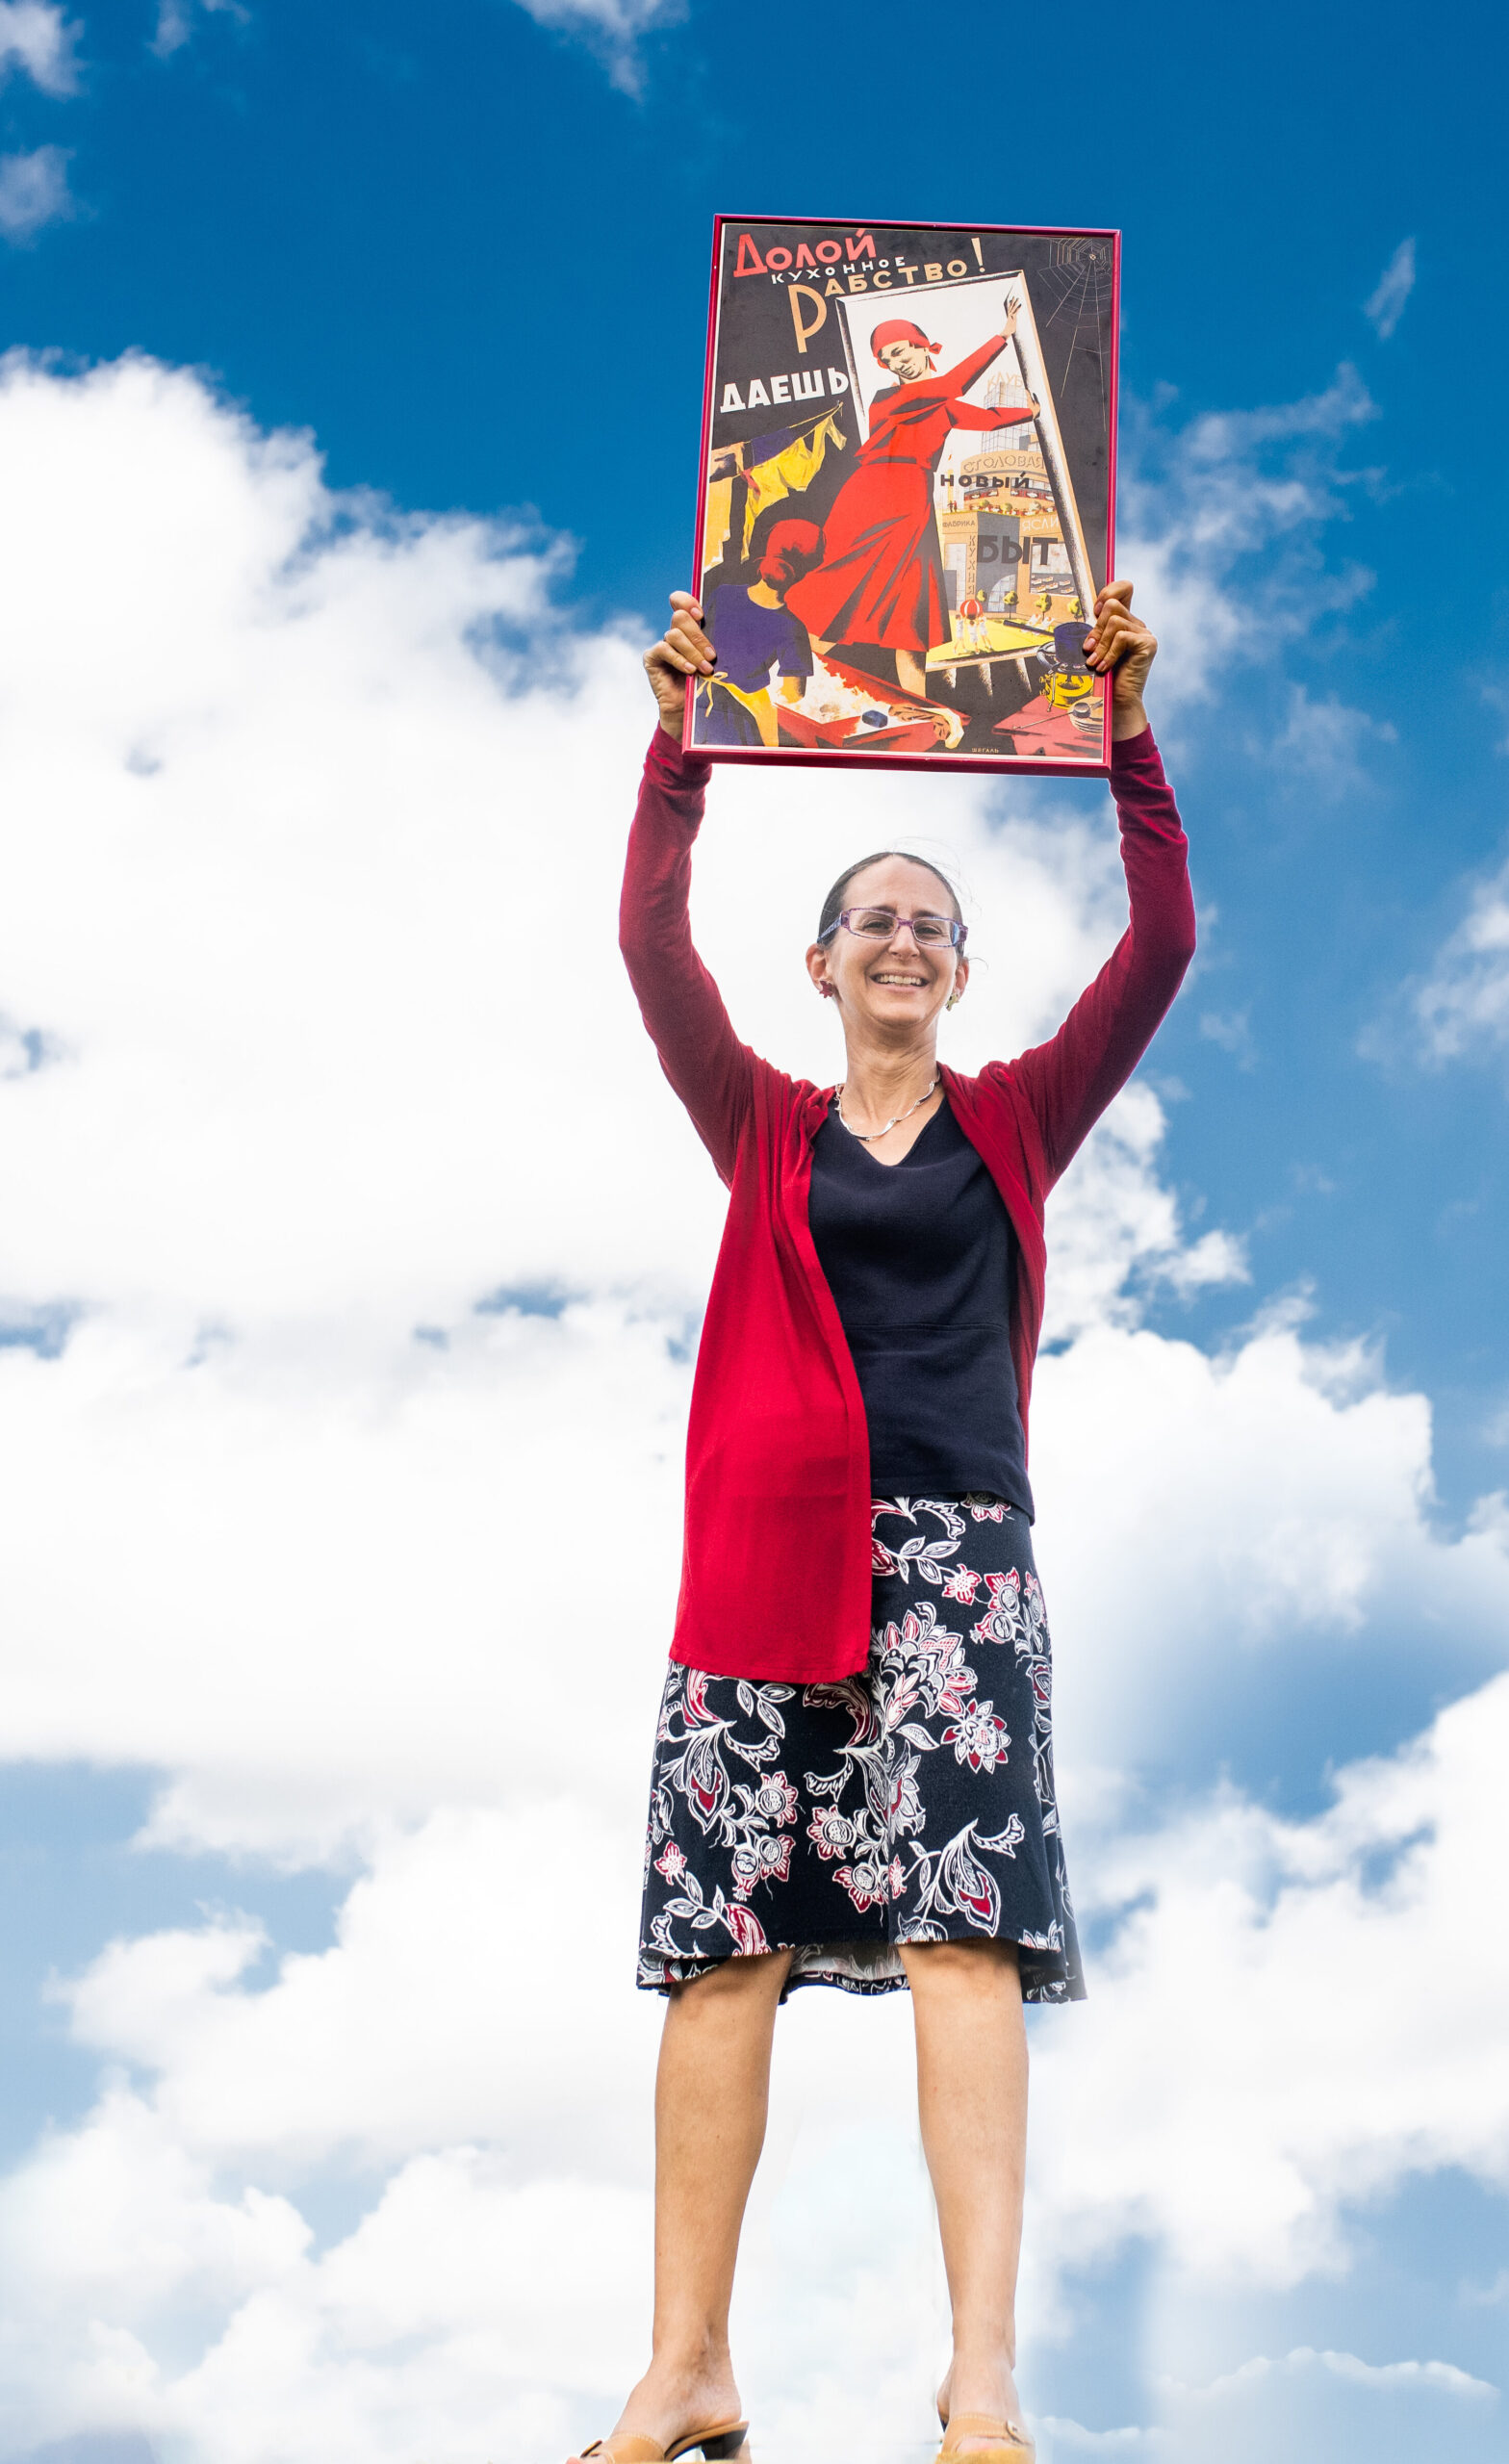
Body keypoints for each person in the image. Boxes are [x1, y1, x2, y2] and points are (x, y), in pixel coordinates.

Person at [583, 578, 1191, 2464]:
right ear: (823, 962)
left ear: (956, 969)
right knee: (722, 1943)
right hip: (759, 1560)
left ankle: (980, 2375)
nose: (905, 938)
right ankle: (687, 2362)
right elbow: (648, 941)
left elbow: (1161, 940)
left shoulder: (1015, 1117)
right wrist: (679, 737)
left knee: (962, 1935)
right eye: (875, 920)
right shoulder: (757, 1119)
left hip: (954, 1564)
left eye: (933, 923)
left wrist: (1122, 728)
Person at [784, 299, 1037, 701]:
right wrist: (1002, 336)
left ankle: (919, 706)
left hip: (914, 499)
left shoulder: (940, 404)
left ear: (922, 346)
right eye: (886, 359)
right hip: (874, 497)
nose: (895, 363)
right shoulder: (888, 400)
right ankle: (793, 683)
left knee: (913, 607)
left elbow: (986, 418)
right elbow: (954, 384)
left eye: (900, 351)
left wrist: (1028, 412)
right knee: (844, 595)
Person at [692, 520, 822, 749]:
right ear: (807, 571)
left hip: (700, 707)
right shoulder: (793, 629)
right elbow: (793, 696)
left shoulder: (722, 594)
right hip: (743, 718)